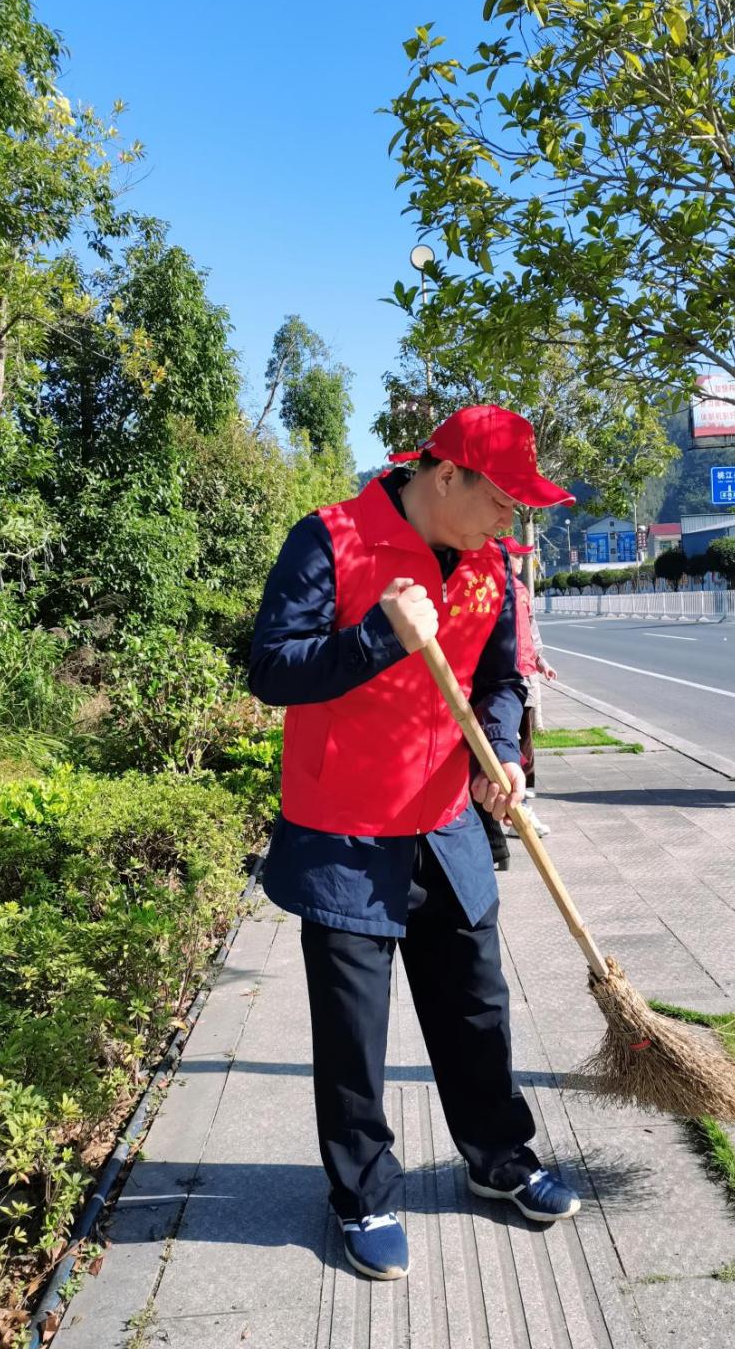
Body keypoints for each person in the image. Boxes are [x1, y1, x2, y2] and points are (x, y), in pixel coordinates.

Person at [249, 404, 580, 1284]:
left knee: (476, 1004)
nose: (510, 520)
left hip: (444, 821)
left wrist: (501, 755)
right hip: (346, 830)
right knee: (353, 1031)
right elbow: (271, 667)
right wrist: (377, 636)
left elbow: (500, 677)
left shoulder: (490, 564)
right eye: (501, 499)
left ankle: (498, 1157)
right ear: (445, 476)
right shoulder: (330, 540)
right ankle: (361, 1193)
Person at [479, 541, 558, 870]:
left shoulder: (520, 590)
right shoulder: (485, 587)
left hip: (522, 674)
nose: (520, 561)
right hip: (502, 674)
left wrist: (541, 662)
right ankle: (514, 812)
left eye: (521, 557)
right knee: (505, 745)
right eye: (515, 556)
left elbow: (531, 632)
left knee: (521, 741)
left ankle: (521, 802)